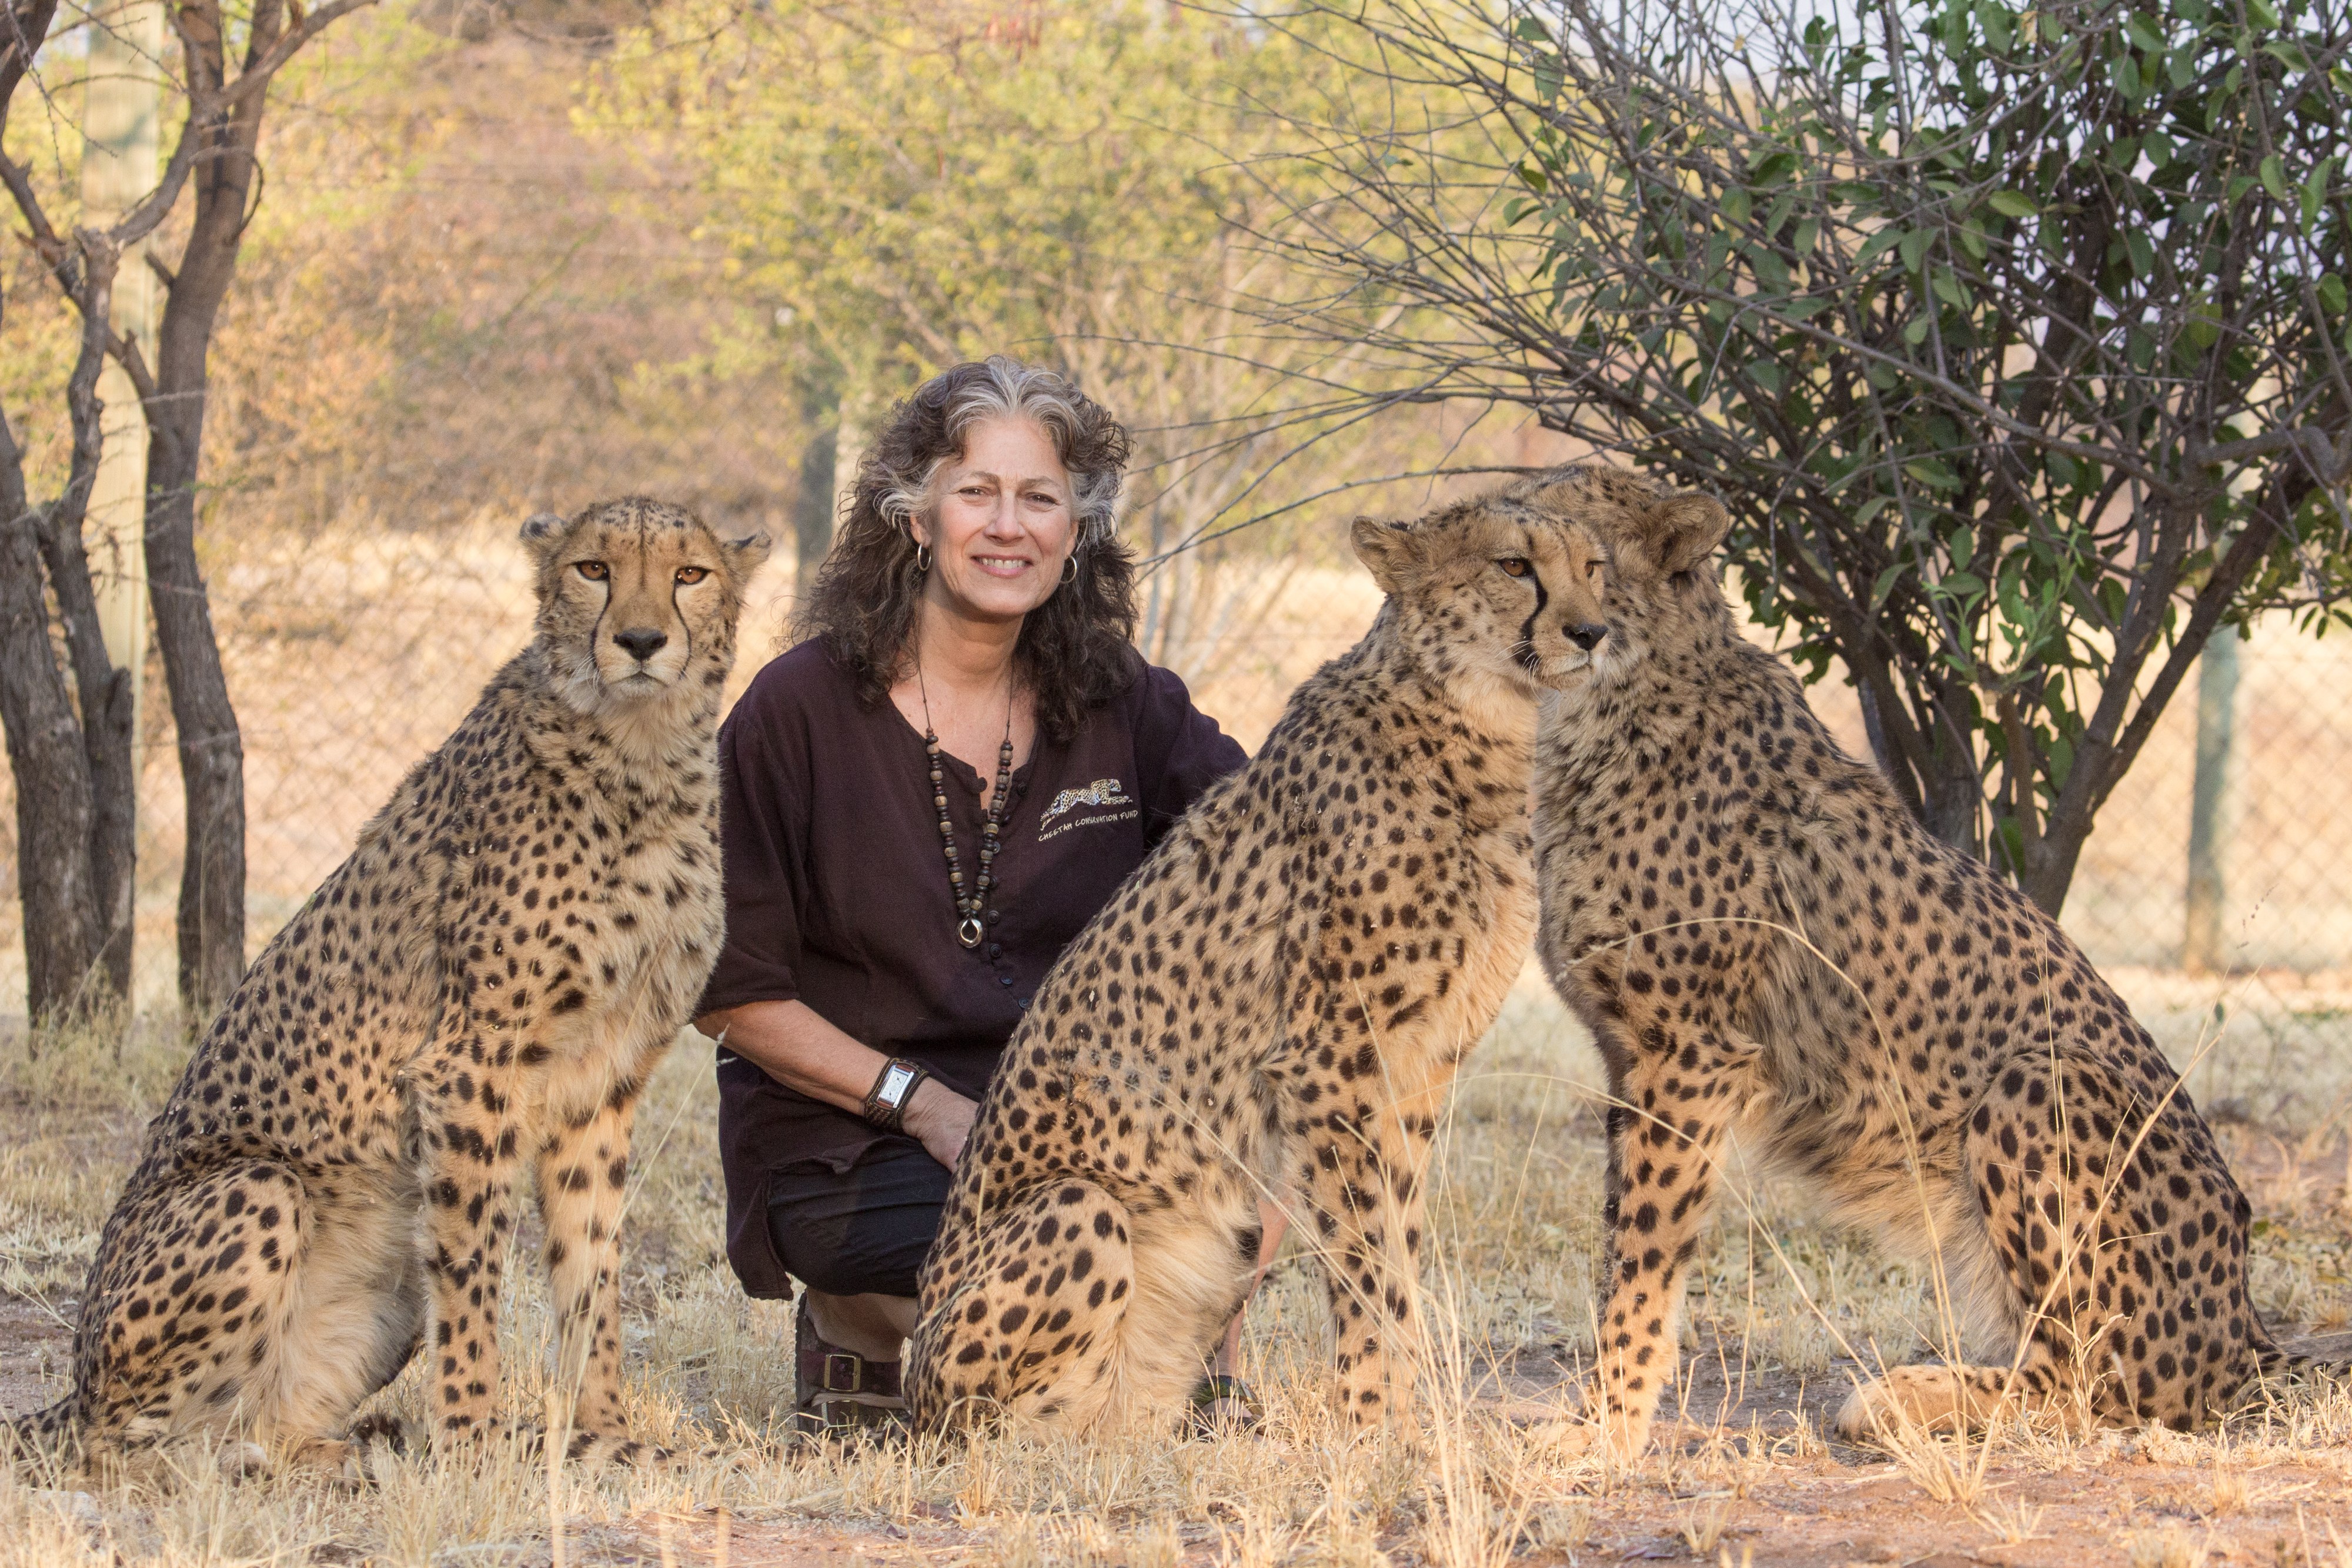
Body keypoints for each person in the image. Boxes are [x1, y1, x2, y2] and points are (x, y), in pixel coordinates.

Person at [696, 356, 1281, 1433]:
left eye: (1040, 498)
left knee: (1237, 1177)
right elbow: (729, 992)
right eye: (977, 492)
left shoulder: (1121, 699)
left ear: (1077, 529)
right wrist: (925, 1105)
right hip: (860, 1141)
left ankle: (1157, 1384)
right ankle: (874, 1335)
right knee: (1084, 1234)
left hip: (1083, 1129)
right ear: (916, 516)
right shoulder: (796, 711)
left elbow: (1272, 851)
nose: (1007, 528)